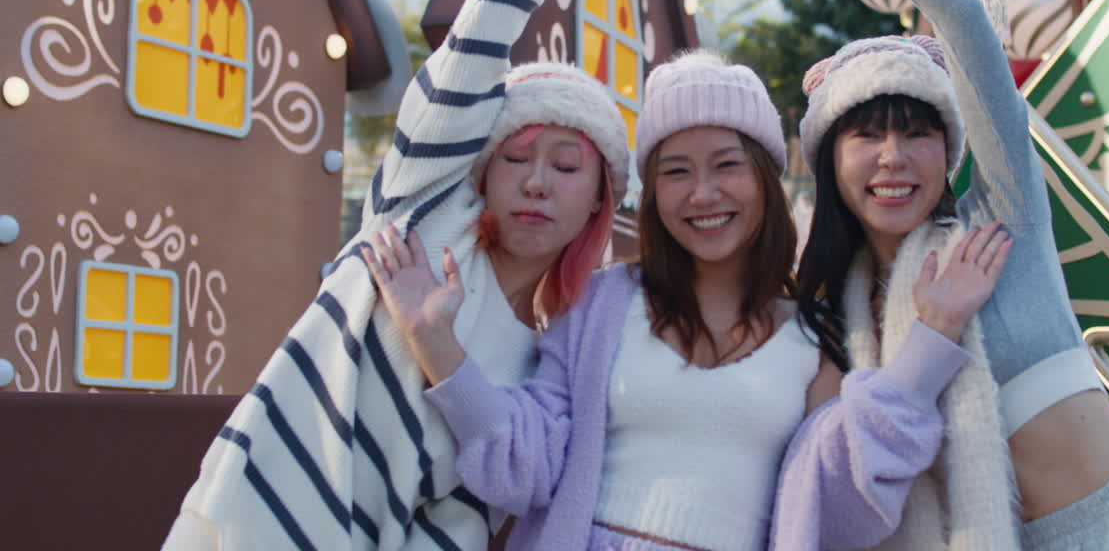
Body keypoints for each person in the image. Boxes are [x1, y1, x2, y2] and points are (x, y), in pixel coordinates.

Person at [161, 0, 703, 551]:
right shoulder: (422, 212)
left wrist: (436, 341)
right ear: (481, 166)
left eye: (566, 167)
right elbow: (482, 30)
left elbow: (469, 513)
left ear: (599, 197)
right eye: (516, 158)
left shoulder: (546, 352)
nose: (536, 183)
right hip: (250, 526)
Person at [708, 0, 1109, 549]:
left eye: (917, 133)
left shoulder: (1002, 230)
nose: (893, 158)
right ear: (830, 158)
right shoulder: (840, 315)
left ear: (949, 149)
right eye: (866, 136)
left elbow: (964, 19)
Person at [364, 47, 1013, 551]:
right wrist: (434, 342)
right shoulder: (600, 306)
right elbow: (523, 468)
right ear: (651, 194)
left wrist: (935, 333)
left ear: (764, 180)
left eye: (727, 165)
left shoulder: (811, 338)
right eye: (676, 171)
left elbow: (847, 506)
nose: (703, 194)